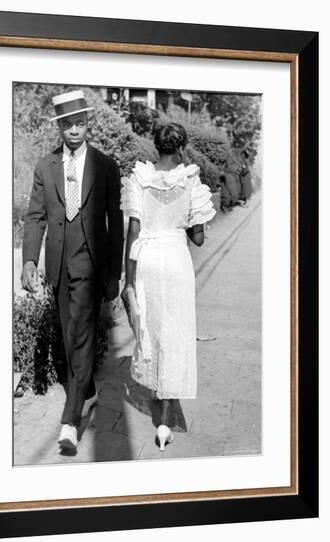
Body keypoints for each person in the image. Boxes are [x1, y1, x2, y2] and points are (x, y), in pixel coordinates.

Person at [21, 90, 124, 452]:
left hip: (92, 266)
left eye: (79, 123)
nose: (74, 130)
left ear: (87, 125)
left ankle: (70, 422)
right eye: (68, 125)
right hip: (59, 266)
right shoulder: (44, 166)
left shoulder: (106, 166)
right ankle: (90, 390)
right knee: (69, 337)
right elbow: (34, 217)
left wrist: (114, 274)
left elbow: (115, 220)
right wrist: (29, 261)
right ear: (60, 127)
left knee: (80, 335)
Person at [121, 123, 215, 451]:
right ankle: (164, 419)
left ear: (155, 145)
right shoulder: (190, 180)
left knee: (151, 330)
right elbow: (199, 238)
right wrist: (187, 223)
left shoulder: (138, 178)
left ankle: (157, 392)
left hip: (146, 259)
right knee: (176, 333)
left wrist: (128, 278)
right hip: (176, 260)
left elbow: (133, 229)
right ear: (181, 146)